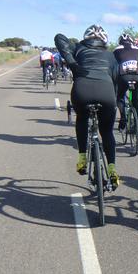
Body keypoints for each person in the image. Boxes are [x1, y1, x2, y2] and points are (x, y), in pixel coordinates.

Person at [55, 25, 121, 189]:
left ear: (86, 37)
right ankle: (112, 169)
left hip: (82, 91)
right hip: (106, 93)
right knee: (106, 131)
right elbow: (116, 80)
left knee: (82, 118)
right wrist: (115, 101)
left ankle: (82, 158)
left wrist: (72, 63)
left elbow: (59, 37)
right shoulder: (111, 55)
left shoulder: (78, 48)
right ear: (104, 41)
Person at [113, 33, 138, 131]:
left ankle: (123, 120)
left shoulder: (116, 50)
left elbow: (113, 66)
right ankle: (137, 124)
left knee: (119, 97)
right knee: (135, 99)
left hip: (124, 77)